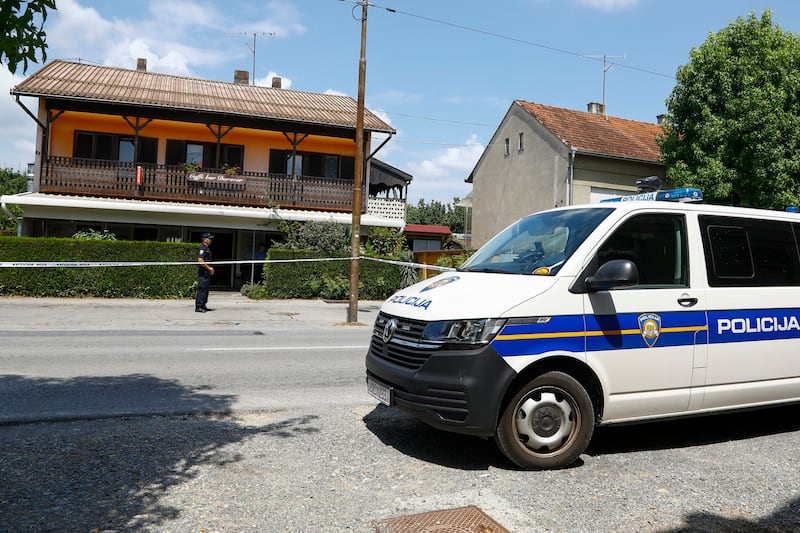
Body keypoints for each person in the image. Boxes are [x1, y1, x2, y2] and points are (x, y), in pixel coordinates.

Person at [196, 232, 215, 312]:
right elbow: (200, 260)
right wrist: (209, 268)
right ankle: (199, 306)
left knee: (206, 290)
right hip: (203, 273)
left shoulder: (207, 249)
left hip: (206, 273)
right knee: (202, 289)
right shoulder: (203, 248)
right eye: (209, 238)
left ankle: (203, 305)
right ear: (205, 239)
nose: (211, 240)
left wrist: (210, 269)